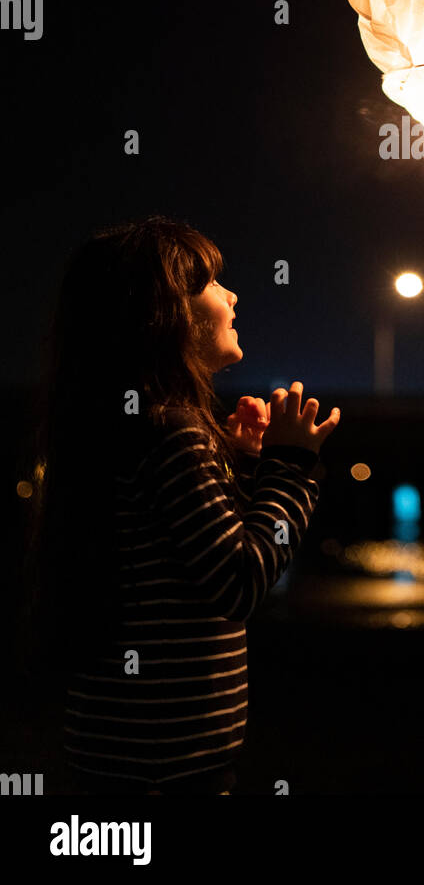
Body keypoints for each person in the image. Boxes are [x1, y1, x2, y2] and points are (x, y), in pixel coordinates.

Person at [26, 215, 339, 794]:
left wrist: (242, 464)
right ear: (168, 314)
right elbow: (240, 581)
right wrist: (291, 467)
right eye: (213, 285)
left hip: (121, 750)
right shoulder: (171, 431)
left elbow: (187, 560)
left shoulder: (134, 424)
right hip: (164, 768)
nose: (233, 295)